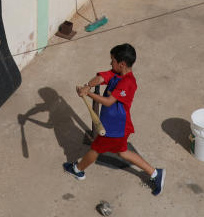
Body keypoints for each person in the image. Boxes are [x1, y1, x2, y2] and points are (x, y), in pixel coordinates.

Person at [62, 43, 165, 195]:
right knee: (122, 152)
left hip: (115, 128)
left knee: (96, 149)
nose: (111, 63)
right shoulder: (117, 73)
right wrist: (88, 86)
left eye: (112, 61)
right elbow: (101, 78)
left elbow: (109, 101)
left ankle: (77, 170)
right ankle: (156, 173)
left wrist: (88, 94)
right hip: (115, 127)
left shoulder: (128, 82)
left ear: (122, 64)